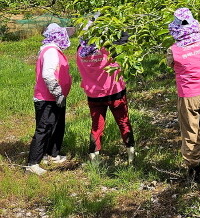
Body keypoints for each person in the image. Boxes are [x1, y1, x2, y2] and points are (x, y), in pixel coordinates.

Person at [166, 8, 200, 182]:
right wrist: (199, 27)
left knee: (191, 133)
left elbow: (171, 65)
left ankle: (194, 172)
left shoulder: (173, 51)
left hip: (189, 96)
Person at [76, 24, 135, 164]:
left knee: (97, 126)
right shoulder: (107, 47)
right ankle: (131, 157)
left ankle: (94, 159)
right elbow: (125, 38)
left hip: (94, 94)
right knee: (123, 122)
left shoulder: (80, 50)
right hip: (115, 91)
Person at [26, 23, 72, 175]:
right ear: (58, 36)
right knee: (44, 129)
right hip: (47, 98)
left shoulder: (53, 50)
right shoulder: (51, 51)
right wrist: (58, 93)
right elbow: (47, 74)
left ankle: (53, 154)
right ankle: (33, 164)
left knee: (56, 126)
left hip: (54, 97)